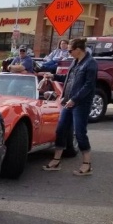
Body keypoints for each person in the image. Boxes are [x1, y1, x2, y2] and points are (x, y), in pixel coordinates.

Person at [42, 37, 98, 176]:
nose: (68, 53)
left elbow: (89, 86)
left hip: (81, 103)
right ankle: (56, 160)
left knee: (80, 132)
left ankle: (87, 164)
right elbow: (68, 79)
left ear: (78, 50)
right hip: (68, 101)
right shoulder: (75, 61)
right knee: (61, 130)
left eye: (70, 50)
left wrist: (74, 99)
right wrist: (53, 76)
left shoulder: (90, 64)